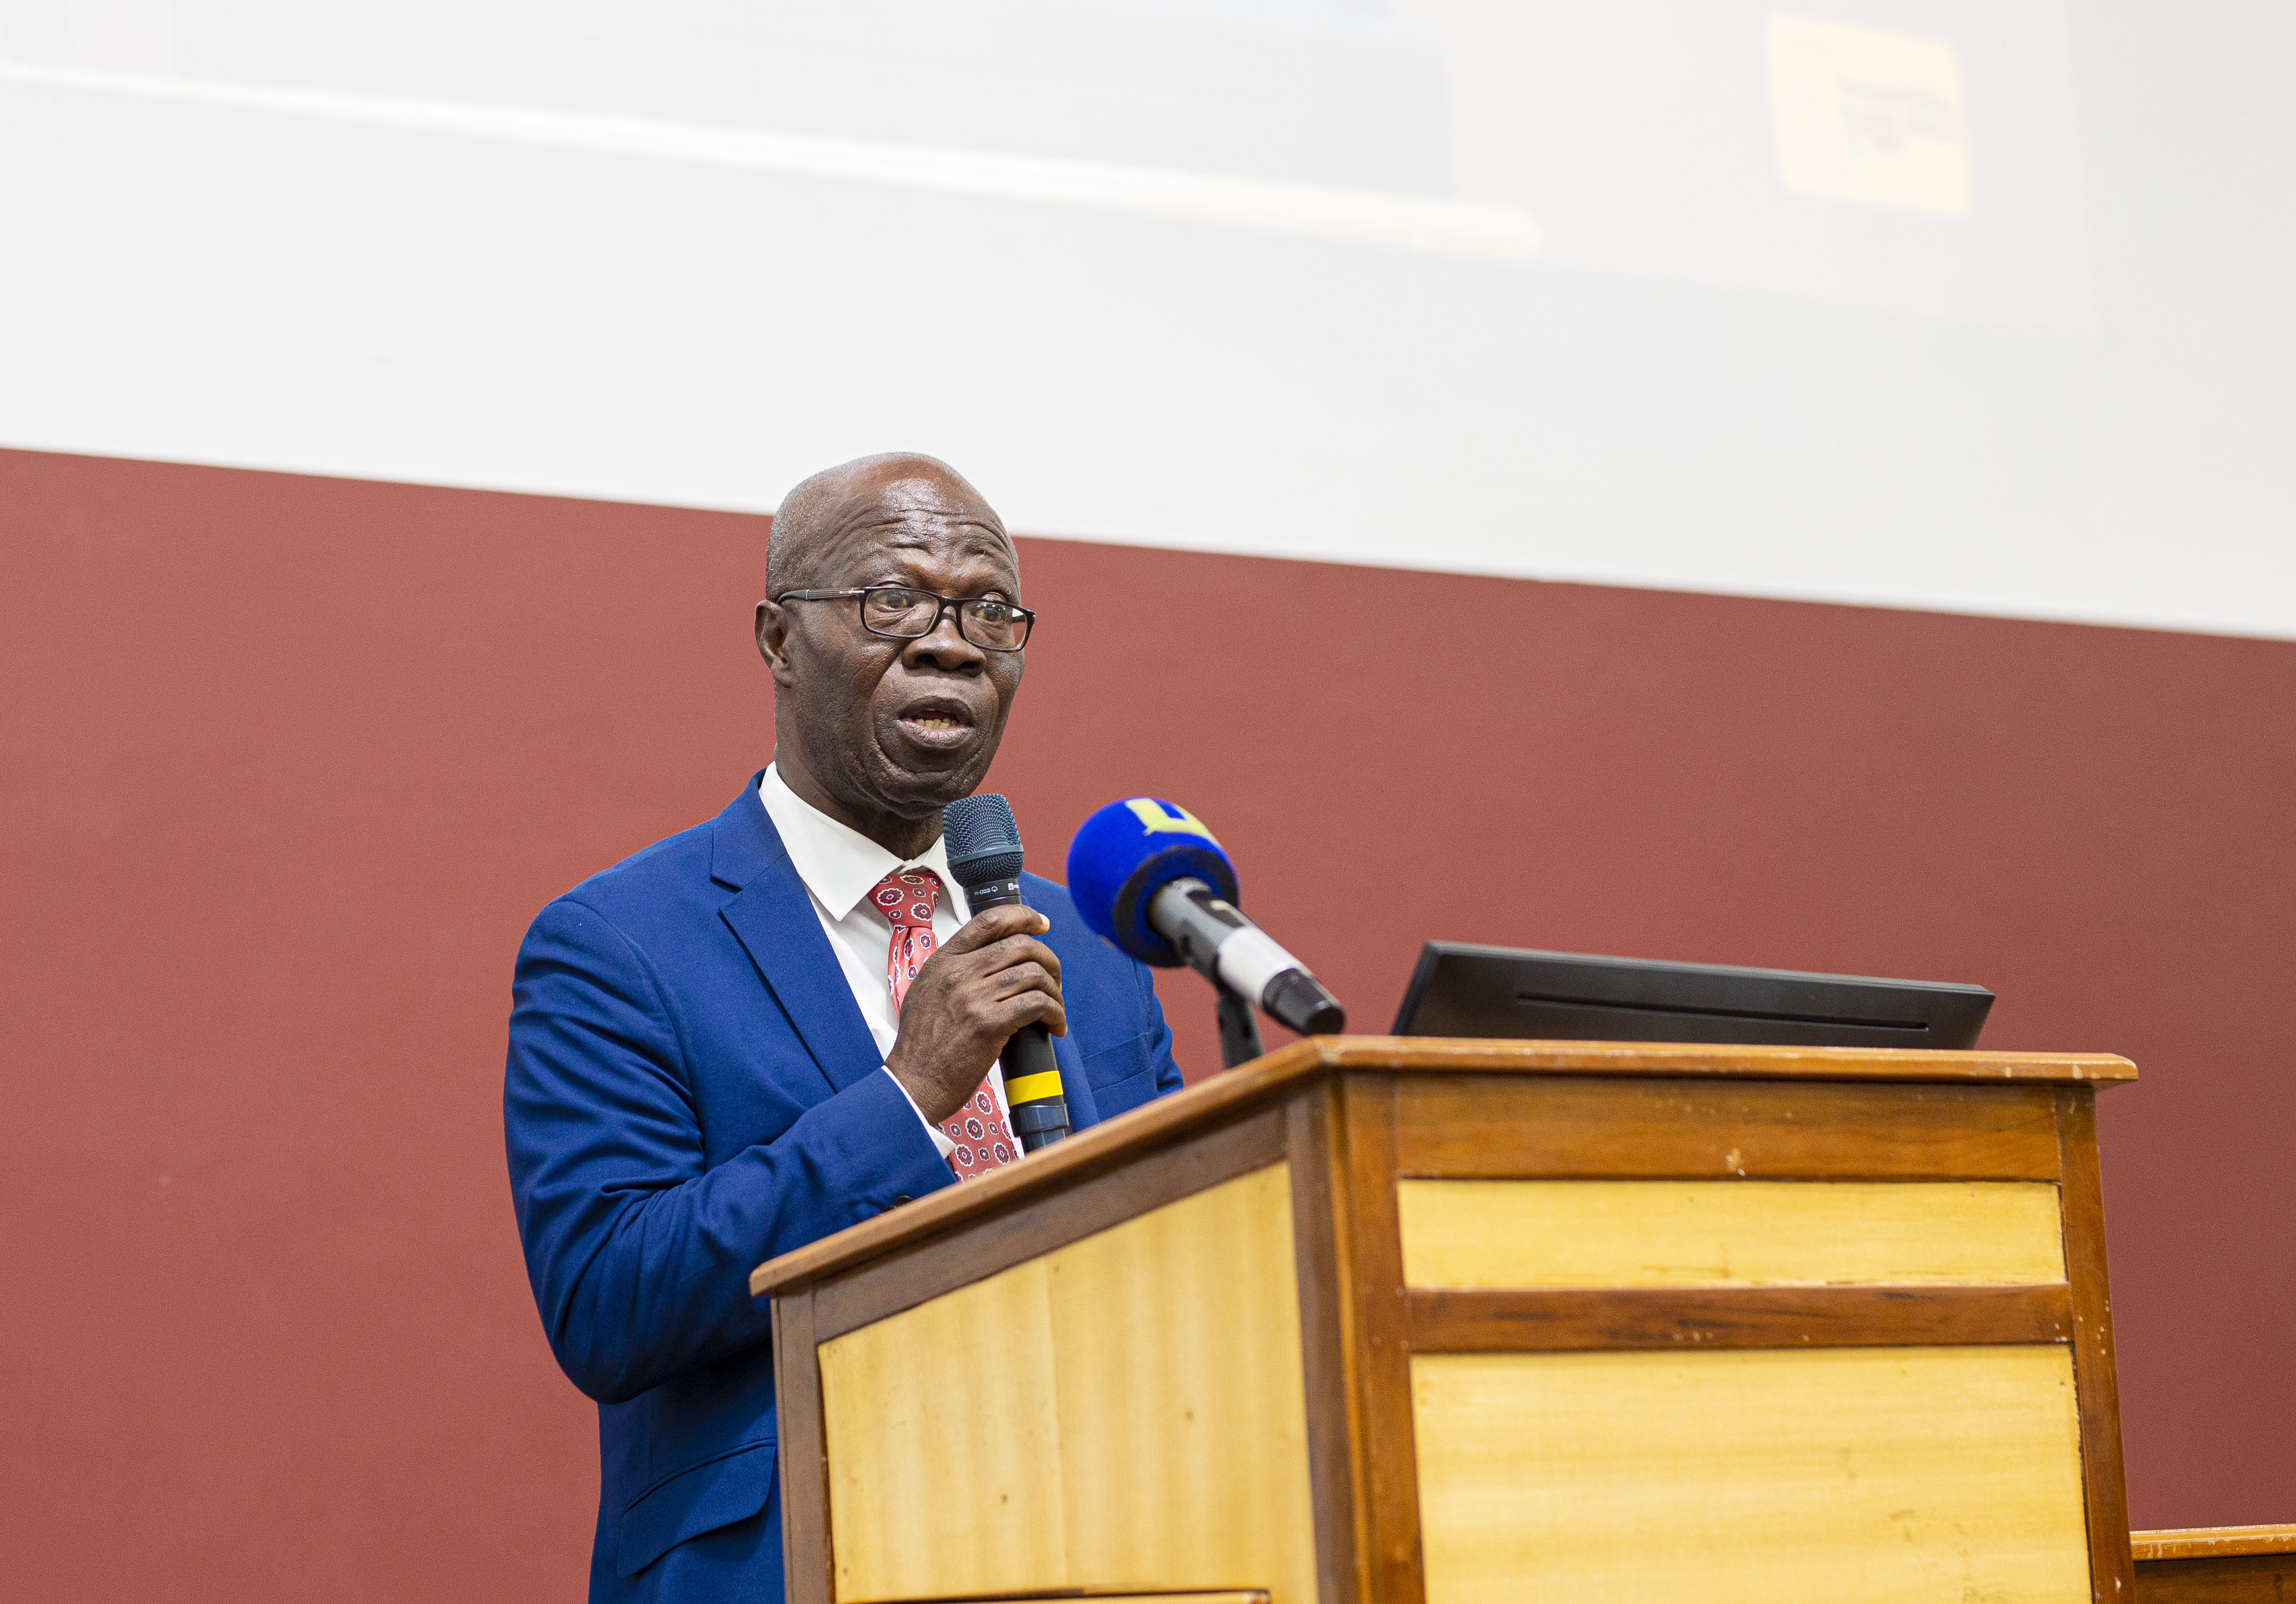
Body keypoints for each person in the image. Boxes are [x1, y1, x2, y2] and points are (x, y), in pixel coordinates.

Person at [503, 453, 1184, 1603]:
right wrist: (906, 1099)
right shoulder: (621, 943)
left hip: (1104, 1548)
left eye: (988, 610)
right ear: (777, 638)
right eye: (894, 600)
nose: (949, 641)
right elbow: (609, 1303)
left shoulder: (1098, 953)